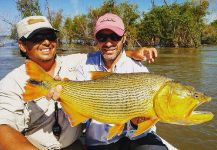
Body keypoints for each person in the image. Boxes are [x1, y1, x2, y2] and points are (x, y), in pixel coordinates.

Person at [0, 15, 157, 150]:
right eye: (37, 38)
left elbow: (110, 54)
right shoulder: (10, 83)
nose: (46, 42)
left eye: (50, 36)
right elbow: (3, 129)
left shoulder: (76, 61)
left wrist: (132, 53)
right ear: (22, 45)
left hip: (74, 145)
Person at [67, 13, 175, 150]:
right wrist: (63, 98)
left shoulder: (138, 69)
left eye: (115, 36)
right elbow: (80, 118)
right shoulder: (84, 65)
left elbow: (148, 125)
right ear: (96, 39)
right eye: (102, 37)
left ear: (124, 38)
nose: (108, 43)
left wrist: (135, 124)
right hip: (101, 140)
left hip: (138, 137)